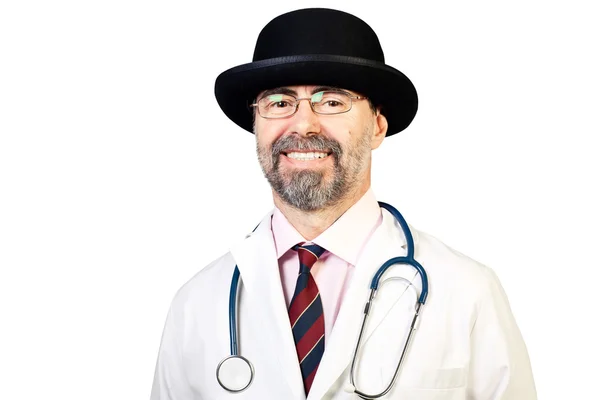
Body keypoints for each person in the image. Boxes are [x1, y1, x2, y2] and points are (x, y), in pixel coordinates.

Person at [150, 7, 536, 400]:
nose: (303, 125)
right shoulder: (196, 304)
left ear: (378, 127)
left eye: (332, 102)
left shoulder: (467, 291)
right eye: (280, 103)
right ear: (257, 123)